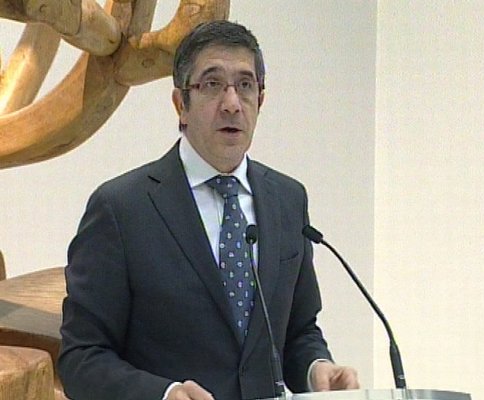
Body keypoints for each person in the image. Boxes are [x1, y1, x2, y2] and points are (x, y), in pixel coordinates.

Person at [58, 20, 360, 400]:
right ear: (180, 104)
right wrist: (164, 394)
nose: (232, 103)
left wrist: (318, 369)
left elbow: (298, 332)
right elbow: (81, 359)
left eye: (245, 85)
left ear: (260, 101)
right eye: (213, 84)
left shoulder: (288, 199)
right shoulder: (121, 208)